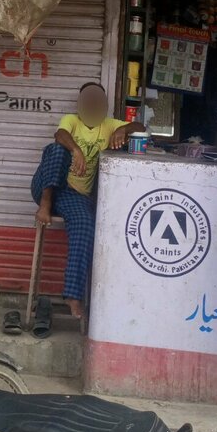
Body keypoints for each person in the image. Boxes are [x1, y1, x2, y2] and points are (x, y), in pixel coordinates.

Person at [31, 83, 139, 319]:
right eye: (88, 100)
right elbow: (60, 135)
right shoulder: (71, 120)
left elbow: (142, 127)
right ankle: (45, 205)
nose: (92, 104)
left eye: (97, 100)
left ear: (105, 105)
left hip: (73, 195)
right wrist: (76, 150)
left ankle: (73, 296)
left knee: (85, 225)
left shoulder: (108, 125)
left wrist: (125, 129)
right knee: (57, 149)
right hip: (47, 185)